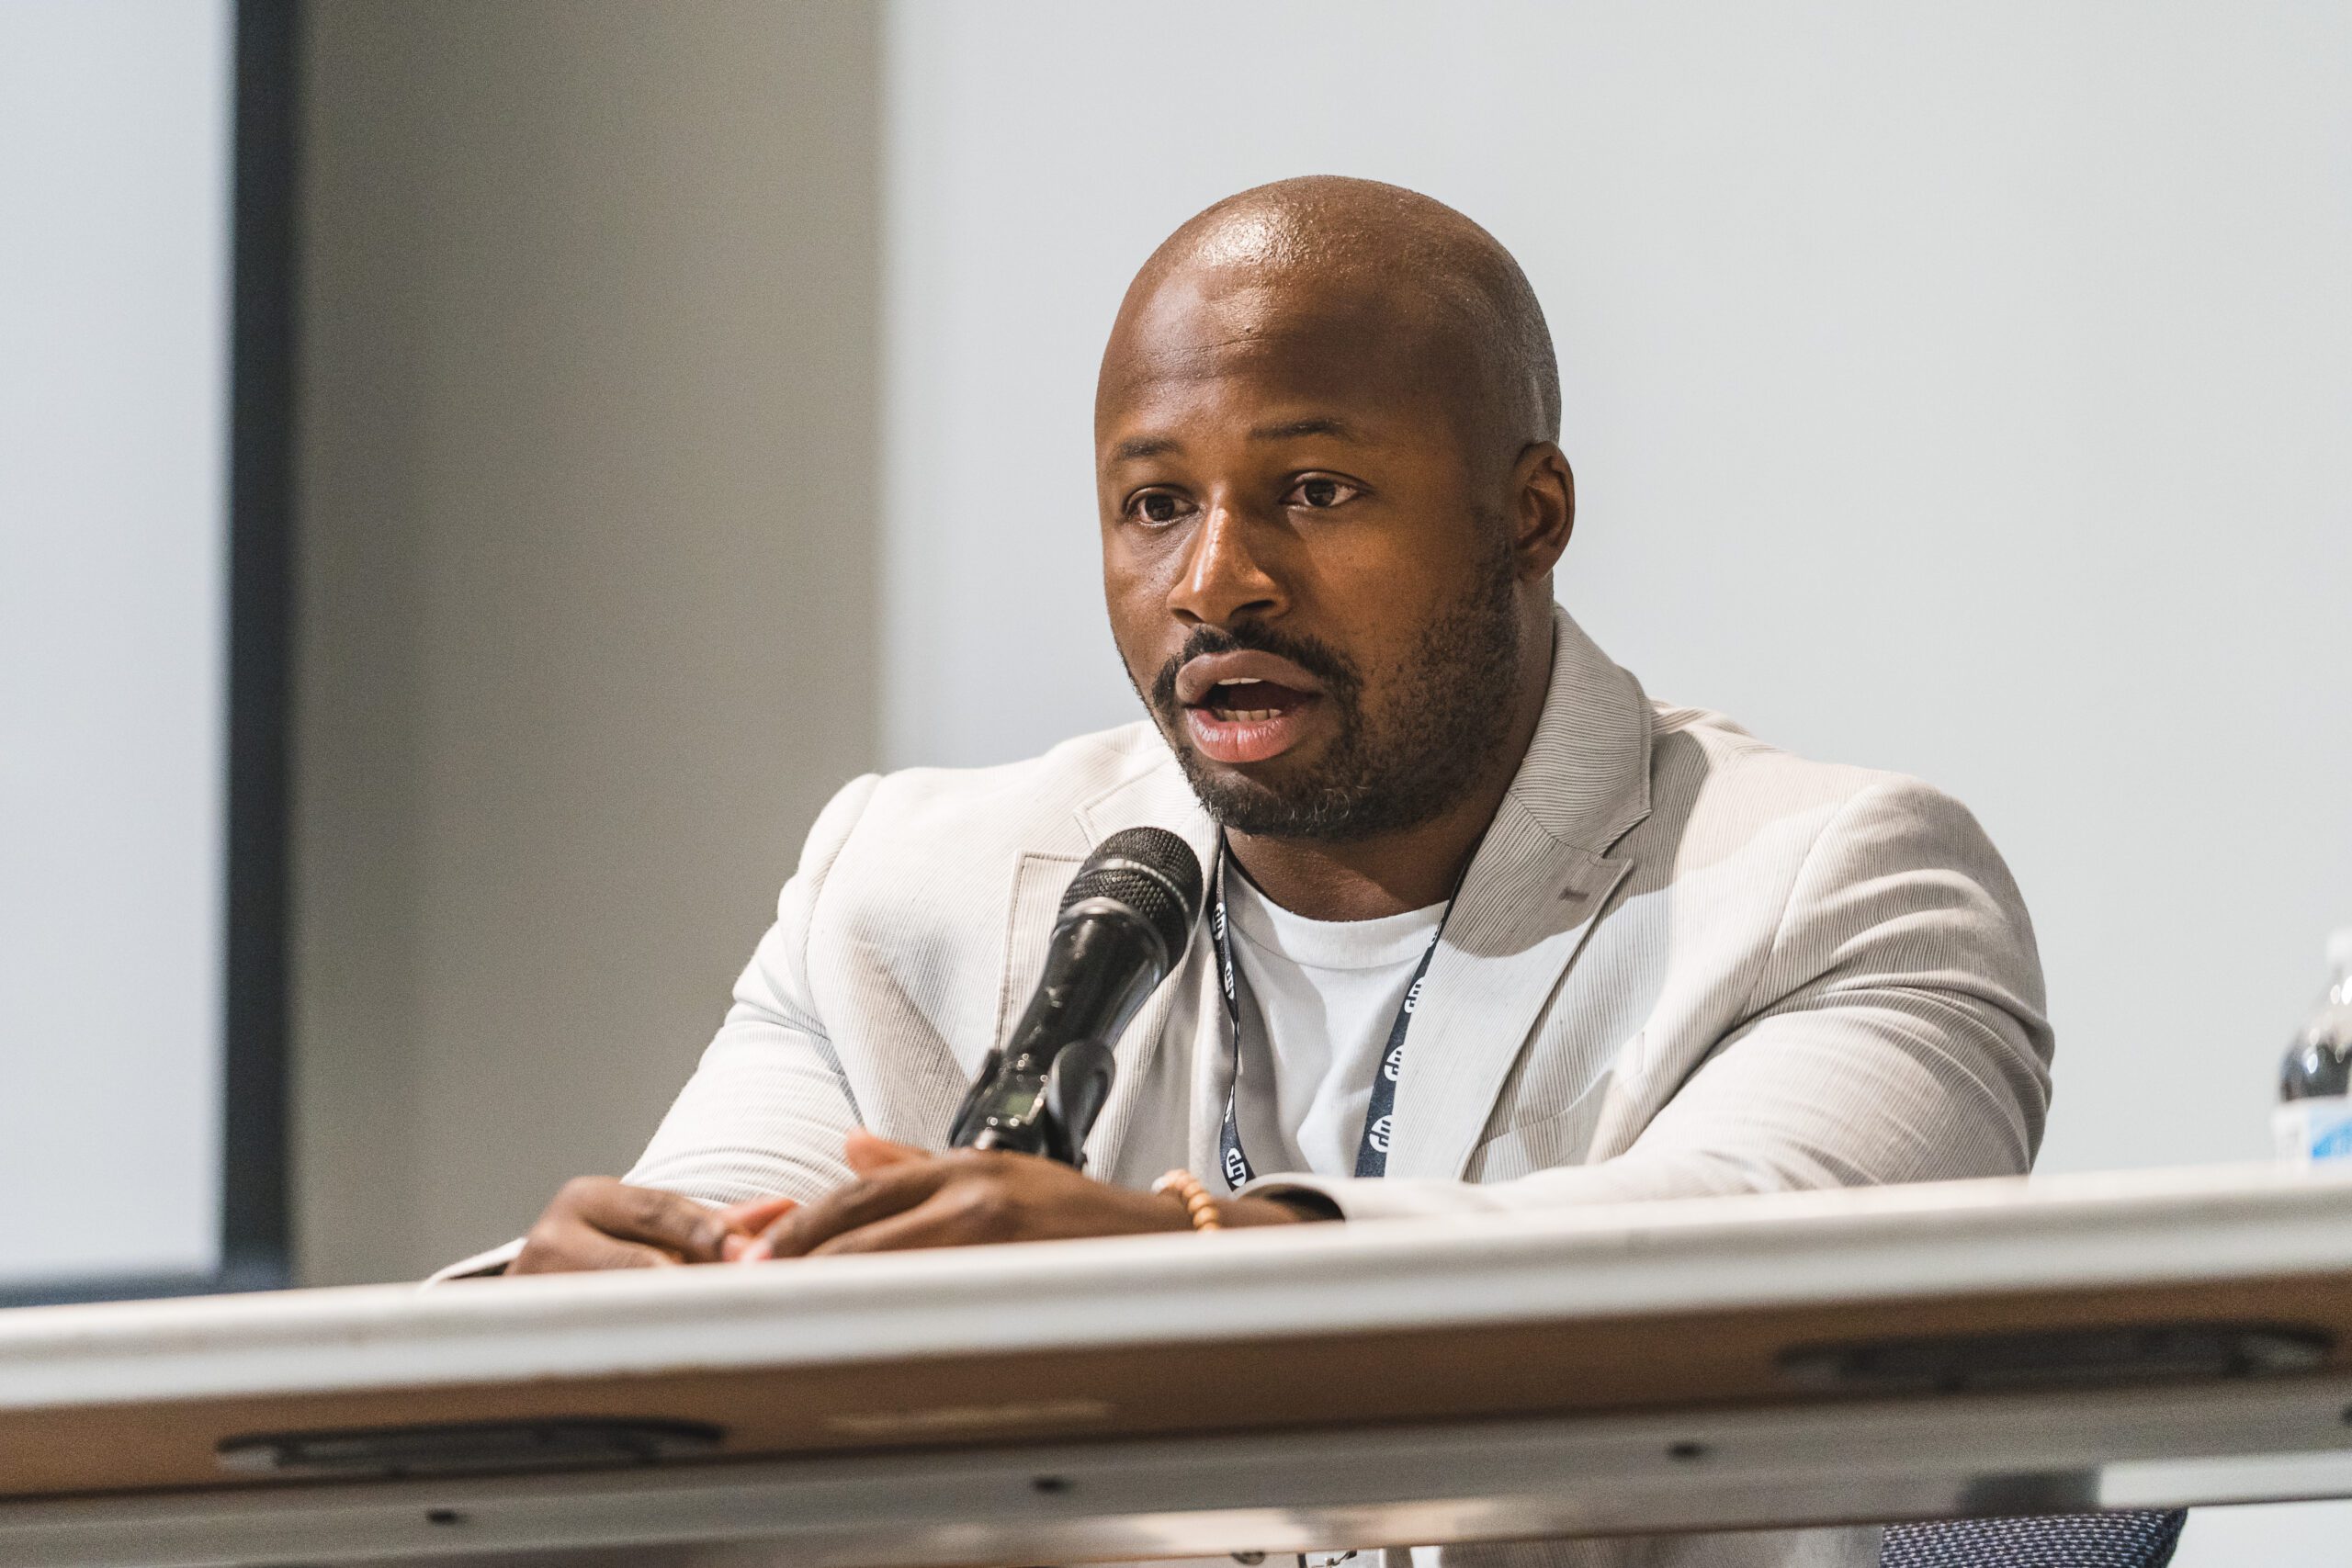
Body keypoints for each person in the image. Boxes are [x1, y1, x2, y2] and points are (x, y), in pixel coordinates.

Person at [449, 177, 2053, 1568]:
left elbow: (1739, 1297)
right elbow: (708, 1315)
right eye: (1156, 506)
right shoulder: (905, 891)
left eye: (1316, 492)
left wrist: (1177, 1270)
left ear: (1529, 516)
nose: (1216, 579)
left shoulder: (1842, 891)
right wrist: (592, 1301)